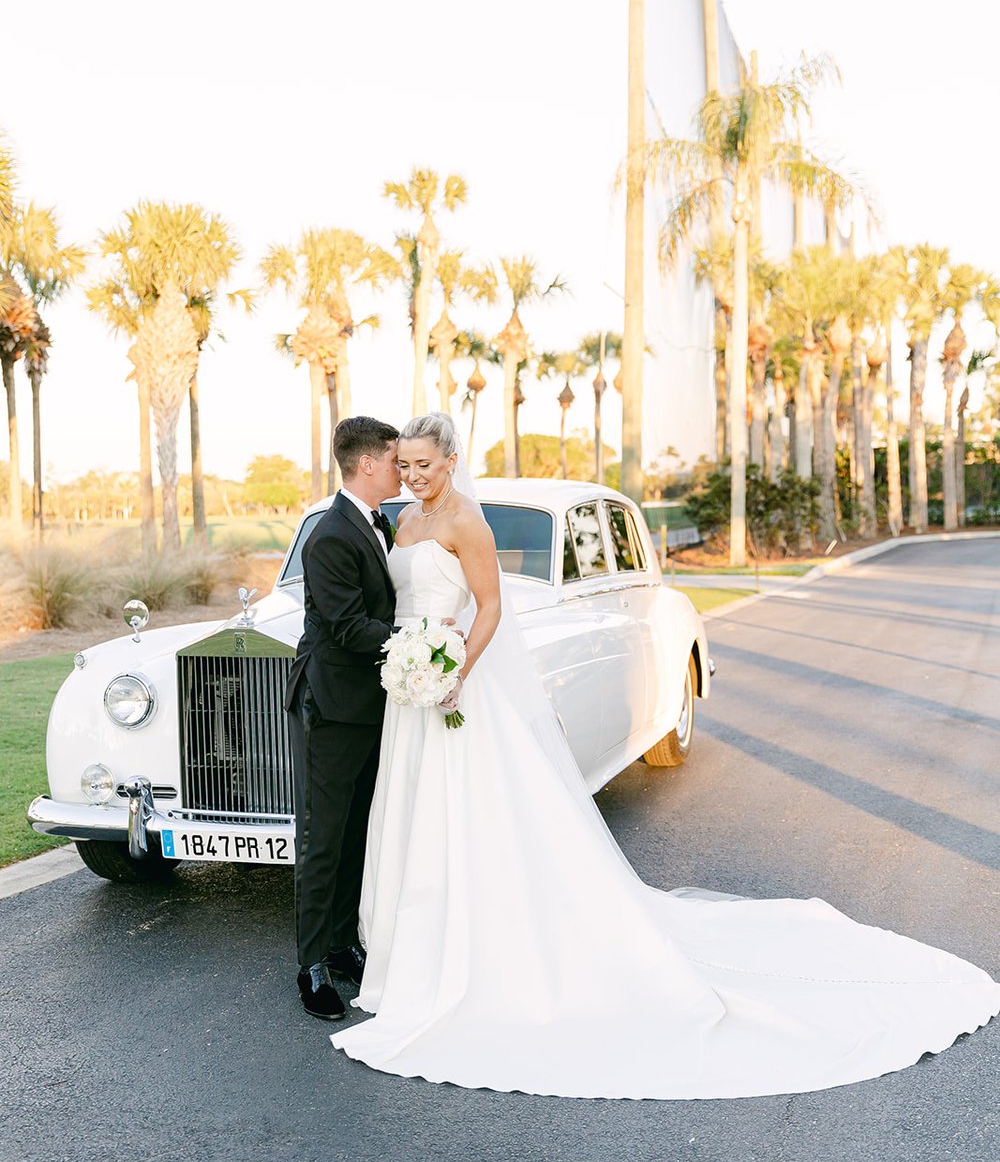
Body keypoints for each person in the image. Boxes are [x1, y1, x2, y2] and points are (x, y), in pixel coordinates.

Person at [328, 411, 1000, 1098]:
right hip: (410, 689)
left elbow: (491, 606)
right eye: (403, 465)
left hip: (451, 688)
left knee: (474, 820)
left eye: (424, 465)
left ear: (450, 460)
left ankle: (479, 956)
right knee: (411, 816)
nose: (412, 477)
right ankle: (410, 961)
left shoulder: (467, 519)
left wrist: (454, 672)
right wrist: (417, 663)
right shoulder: (401, 521)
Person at [284, 416, 402, 1021]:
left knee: (357, 829)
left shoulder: (382, 524)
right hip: (331, 705)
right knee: (323, 838)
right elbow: (348, 627)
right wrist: (418, 638)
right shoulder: (331, 535)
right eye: (394, 460)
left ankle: (342, 944)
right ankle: (310, 967)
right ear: (366, 465)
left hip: (373, 704)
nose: (401, 469)